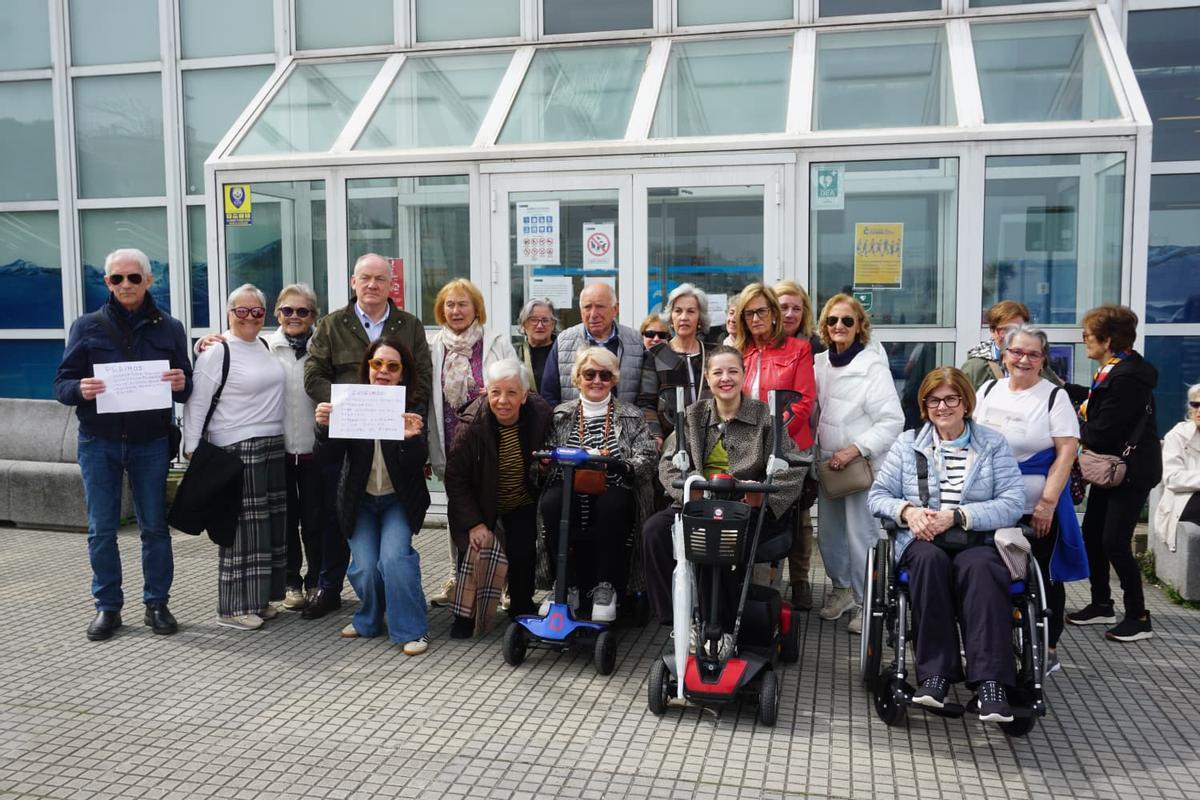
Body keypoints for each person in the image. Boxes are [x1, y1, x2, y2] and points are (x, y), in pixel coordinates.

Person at [868, 367, 1026, 723]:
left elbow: (1014, 502)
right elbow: (877, 496)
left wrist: (958, 516)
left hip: (976, 539)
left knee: (983, 570)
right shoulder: (909, 444)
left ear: (966, 402)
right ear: (924, 405)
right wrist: (907, 511)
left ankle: (991, 684)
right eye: (933, 400)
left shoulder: (992, 444)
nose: (942, 407)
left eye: (951, 398)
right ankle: (935, 676)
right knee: (928, 564)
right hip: (923, 540)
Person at [54, 248, 193, 641]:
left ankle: (156, 603)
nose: (126, 285)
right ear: (107, 283)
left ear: (149, 280)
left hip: (151, 442)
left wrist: (183, 383)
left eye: (134, 278)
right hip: (99, 442)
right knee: (101, 529)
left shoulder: (170, 328)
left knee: (155, 528)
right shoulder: (87, 327)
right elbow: (62, 384)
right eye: (117, 279)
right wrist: (79, 388)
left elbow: (187, 386)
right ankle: (108, 607)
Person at [302, 253, 433, 621]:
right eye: (365, 278)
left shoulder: (409, 324)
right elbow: (313, 376)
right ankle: (336, 591)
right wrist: (348, 407)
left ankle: (399, 610)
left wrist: (394, 413)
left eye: (380, 278)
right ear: (353, 282)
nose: (372, 285)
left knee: (391, 553)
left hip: (395, 440)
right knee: (342, 523)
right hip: (348, 439)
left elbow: (420, 377)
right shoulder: (331, 325)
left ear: (391, 284)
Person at [642, 345, 805, 627]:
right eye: (718, 372)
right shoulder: (693, 415)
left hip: (744, 509)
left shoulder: (765, 416)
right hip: (699, 504)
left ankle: (718, 627)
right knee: (655, 531)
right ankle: (676, 619)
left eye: (733, 371)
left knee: (717, 542)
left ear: (744, 375)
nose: (725, 378)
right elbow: (668, 462)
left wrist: (764, 494)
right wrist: (687, 489)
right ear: (707, 378)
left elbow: (792, 465)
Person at [974, 324, 1087, 675]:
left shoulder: (1054, 397)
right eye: (1016, 352)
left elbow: (1067, 451)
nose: (1023, 359)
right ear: (1004, 354)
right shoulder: (988, 389)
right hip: (990, 505)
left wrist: (1048, 503)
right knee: (993, 572)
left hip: (1035, 505)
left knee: (1043, 576)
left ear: (1043, 359)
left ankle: (1049, 646)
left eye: (1033, 354)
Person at [313, 337, 430, 655]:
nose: (383, 371)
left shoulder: (413, 406)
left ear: (402, 373)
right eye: (377, 364)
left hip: (397, 499)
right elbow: (330, 457)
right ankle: (370, 617)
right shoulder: (350, 401)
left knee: (393, 560)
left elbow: (417, 463)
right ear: (367, 368)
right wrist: (324, 428)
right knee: (364, 566)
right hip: (360, 499)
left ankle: (411, 628)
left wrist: (410, 440)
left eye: (392, 366)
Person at [184, 284, 286, 631]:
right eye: (241, 311)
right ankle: (232, 607)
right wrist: (191, 446)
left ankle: (259, 600)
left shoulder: (264, 345)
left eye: (256, 311)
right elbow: (197, 402)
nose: (249, 317)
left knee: (268, 528)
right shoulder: (217, 351)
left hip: (271, 444)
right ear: (229, 314)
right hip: (236, 448)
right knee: (241, 530)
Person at [1065, 305, 1162, 642]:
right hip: (1113, 467)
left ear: (1107, 340)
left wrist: (1069, 430)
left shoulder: (1128, 377)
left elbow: (1104, 430)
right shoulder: (1115, 370)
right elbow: (1097, 403)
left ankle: (1138, 616)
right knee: (1092, 533)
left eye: (1088, 337)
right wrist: (1064, 390)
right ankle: (1101, 603)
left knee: (1115, 542)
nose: (1084, 342)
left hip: (1130, 470)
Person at [540, 347, 658, 621]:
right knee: (552, 503)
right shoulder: (561, 414)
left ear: (614, 380)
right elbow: (545, 455)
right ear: (577, 378)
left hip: (614, 487)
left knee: (612, 504)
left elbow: (648, 456)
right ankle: (564, 586)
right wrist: (545, 463)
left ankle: (606, 587)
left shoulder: (631, 414)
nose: (596, 381)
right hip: (569, 487)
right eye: (589, 374)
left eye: (604, 375)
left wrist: (624, 465)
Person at [813, 293, 904, 634]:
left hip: (858, 465)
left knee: (861, 536)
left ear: (859, 327)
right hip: (826, 464)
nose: (839, 326)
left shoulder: (872, 366)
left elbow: (893, 420)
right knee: (831, 535)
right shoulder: (820, 363)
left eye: (847, 321)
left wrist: (855, 449)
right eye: (833, 320)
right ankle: (841, 592)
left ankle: (869, 604)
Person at [443, 359, 553, 637]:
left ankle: (521, 607)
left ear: (525, 395)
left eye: (512, 393)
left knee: (523, 553)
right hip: (480, 502)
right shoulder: (469, 427)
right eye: (495, 392)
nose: (503, 400)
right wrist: (475, 524)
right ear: (485, 392)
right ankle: (465, 615)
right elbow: (455, 480)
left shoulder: (540, 415)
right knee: (474, 550)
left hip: (520, 498)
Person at [427, 279, 517, 606]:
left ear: (476, 308)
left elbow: (517, 384)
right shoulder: (433, 346)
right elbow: (427, 402)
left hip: (494, 444)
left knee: (500, 513)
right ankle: (458, 578)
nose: (456, 311)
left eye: (463, 304)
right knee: (459, 513)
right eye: (450, 305)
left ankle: (504, 582)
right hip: (452, 445)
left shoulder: (496, 342)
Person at [739, 282, 817, 610]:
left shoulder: (797, 349)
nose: (756, 318)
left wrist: (773, 441)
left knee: (790, 515)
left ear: (773, 313)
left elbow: (803, 402)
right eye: (749, 313)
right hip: (744, 447)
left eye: (762, 311)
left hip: (787, 445)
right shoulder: (738, 352)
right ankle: (754, 586)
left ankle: (797, 582)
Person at [265, 284, 322, 611]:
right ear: (277, 313)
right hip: (279, 449)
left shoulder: (323, 346)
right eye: (287, 311)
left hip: (315, 450)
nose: (294, 317)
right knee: (285, 521)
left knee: (315, 520)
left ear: (313, 316)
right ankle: (291, 582)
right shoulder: (264, 346)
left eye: (303, 311)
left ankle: (317, 579)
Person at [540, 282, 643, 406]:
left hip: (626, 424)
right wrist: (563, 422)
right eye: (587, 307)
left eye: (600, 306)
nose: (593, 314)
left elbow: (645, 396)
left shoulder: (636, 341)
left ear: (615, 309)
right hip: (575, 424)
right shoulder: (564, 341)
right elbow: (548, 395)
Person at [637, 283, 711, 442]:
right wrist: (655, 434)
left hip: (711, 438)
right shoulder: (655, 356)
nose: (684, 317)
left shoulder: (713, 355)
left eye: (691, 311)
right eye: (678, 311)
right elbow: (646, 404)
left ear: (700, 317)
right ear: (671, 316)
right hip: (671, 440)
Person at [961, 300, 1063, 389]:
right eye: (1005, 330)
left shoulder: (1035, 362)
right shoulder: (975, 368)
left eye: (1017, 329)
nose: (1011, 335)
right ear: (992, 331)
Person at [1154, 384, 1200, 551]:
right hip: (1184, 501)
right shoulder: (1177, 436)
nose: (1198, 410)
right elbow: (1172, 478)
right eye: (1195, 405)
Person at [515, 297, 558, 393]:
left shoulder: (562, 351)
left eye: (545, 320)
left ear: (553, 324)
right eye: (533, 320)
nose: (539, 325)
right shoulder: (515, 353)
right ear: (524, 324)